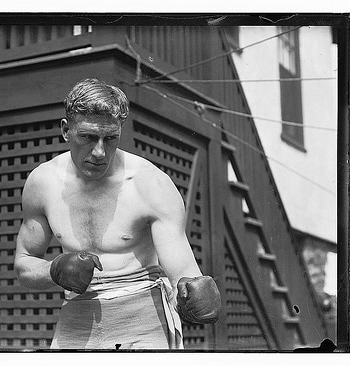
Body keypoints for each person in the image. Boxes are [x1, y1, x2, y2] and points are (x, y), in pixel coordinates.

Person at [14, 78, 221, 350]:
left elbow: (181, 270)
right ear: (66, 130)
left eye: (110, 138)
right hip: (77, 315)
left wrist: (193, 291)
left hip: (143, 313)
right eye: (88, 137)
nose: (99, 152)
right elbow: (24, 265)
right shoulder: (43, 183)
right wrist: (55, 269)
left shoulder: (150, 184)